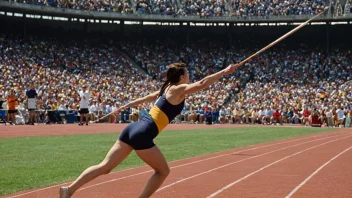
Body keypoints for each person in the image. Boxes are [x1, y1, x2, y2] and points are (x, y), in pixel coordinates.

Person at [59, 62, 237, 198]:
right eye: (187, 74)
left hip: (132, 129)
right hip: (143, 133)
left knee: (104, 166)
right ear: (182, 77)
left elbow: (147, 97)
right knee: (163, 171)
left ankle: (69, 190)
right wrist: (225, 72)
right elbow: (203, 83)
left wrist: (128, 104)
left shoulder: (166, 88)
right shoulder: (177, 89)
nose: (189, 76)